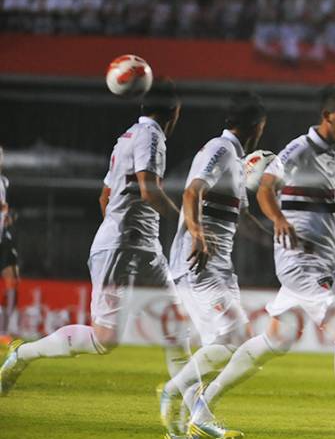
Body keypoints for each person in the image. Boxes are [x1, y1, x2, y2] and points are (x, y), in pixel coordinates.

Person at [186, 83, 335, 439]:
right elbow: (264, 189)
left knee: (277, 339)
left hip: (319, 262)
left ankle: (202, 403)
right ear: (327, 116)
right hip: (299, 261)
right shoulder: (298, 150)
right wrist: (279, 220)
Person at [1, 80, 192, 400]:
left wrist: (123, 228)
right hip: (124, 246)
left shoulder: (126, 137)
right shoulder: (151, 135)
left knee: (176, 325)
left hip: (142, 245)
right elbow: (149, 188)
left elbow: (105, 196)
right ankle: (22, 355)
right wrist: (186, 223)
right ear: (174, 112)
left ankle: (194, 411)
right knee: (105, 339)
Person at [158, 92, 268, 439]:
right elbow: (192, 193)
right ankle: (173, 393)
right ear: (257, 126)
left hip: (220, 265)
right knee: (237, 338)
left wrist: (281, 241)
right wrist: (198, 234)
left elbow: (244, 218)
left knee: (228, 343)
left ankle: (198, 419)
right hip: (198, 262)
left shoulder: (237, 159)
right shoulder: (219, 149)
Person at [0, 146, 19, 346]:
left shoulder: (4, 181)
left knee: (12, 281)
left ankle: (4, 331)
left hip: (3, 239)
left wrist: (9, 217)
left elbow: (7, 211)